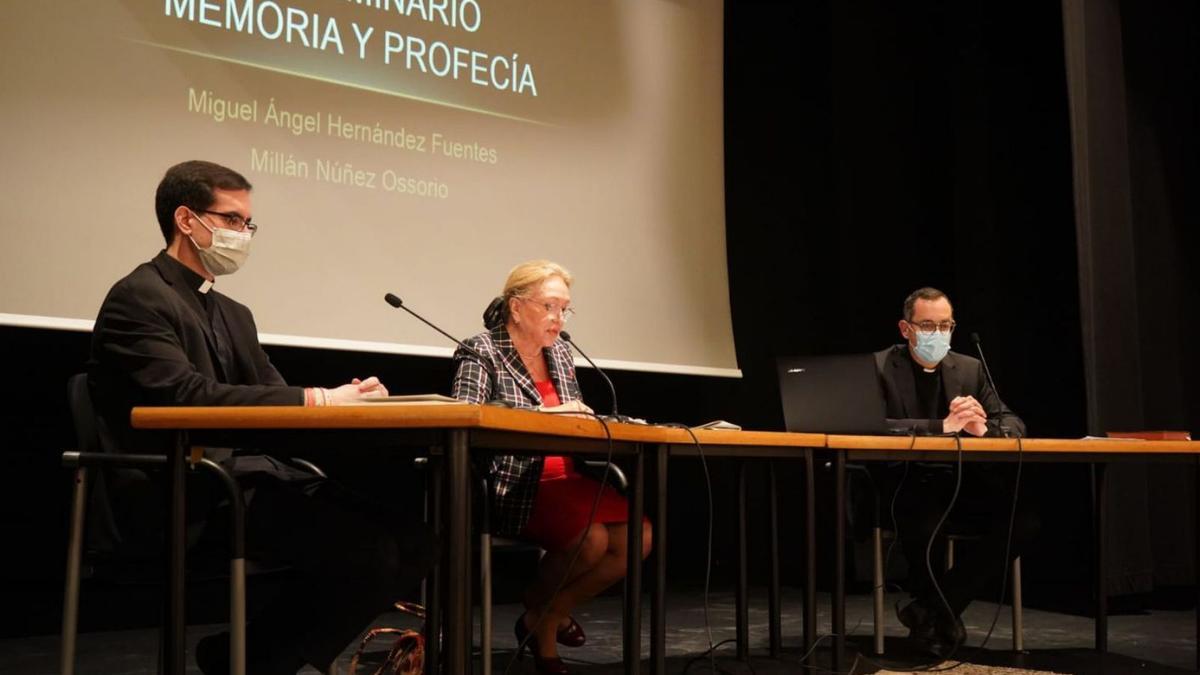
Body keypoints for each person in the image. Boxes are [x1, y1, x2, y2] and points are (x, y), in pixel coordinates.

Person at [88, 160, 435, 675]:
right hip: (181, 491)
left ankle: (246, 658)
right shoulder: (139, 297)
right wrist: (320, 399)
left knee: (416, 539)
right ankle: (254, 660)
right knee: (370, 550)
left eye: (248, 224)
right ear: (186, 219)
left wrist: (352, 399)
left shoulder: (234, 313)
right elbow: (186, 397)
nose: (243, 234)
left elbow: (273, 395)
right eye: (231, 220)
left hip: (243, 481)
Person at [451, 260, 651, 675]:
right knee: (591, 540)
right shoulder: (480, 350)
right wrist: (546, 412)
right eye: (550, 307)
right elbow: (466, 414)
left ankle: (542, 614)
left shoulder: (561, 353)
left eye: (565, 309)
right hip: (510, 482)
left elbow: (568, 419)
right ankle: (545, 641)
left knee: (640, 535)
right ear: (517, 307)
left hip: (567, 479)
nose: (559, 319)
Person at [875, 287, 1037, 658]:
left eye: (945, 325)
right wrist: (941, 426)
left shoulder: (969, 367)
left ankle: (930, 610)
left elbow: (1012, 421)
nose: (937, 334)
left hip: (962, 482)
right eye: (927, 325)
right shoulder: (880, 365)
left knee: (1023, 519)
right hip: (904, 483)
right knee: (925, 521)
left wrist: (985, 429)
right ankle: (936, 614)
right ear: (906, 328)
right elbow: (871, 425)